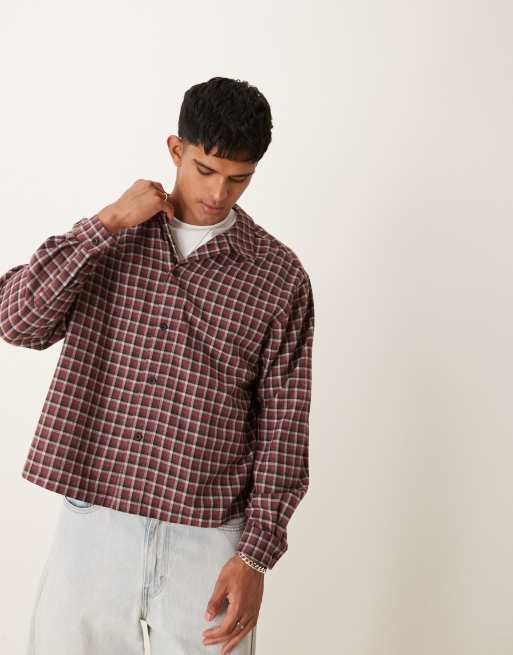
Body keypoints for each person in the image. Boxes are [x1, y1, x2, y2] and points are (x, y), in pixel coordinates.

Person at [0, 76, 315, 655]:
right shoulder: (114, 238)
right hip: (96, 518)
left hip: (208, 535)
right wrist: (104, 224)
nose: (218, 193)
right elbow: (17, 322)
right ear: (176, 149)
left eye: (239, 178)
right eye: (205, 169)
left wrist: (255, 557)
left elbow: (284, 429)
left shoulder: (279, 276)